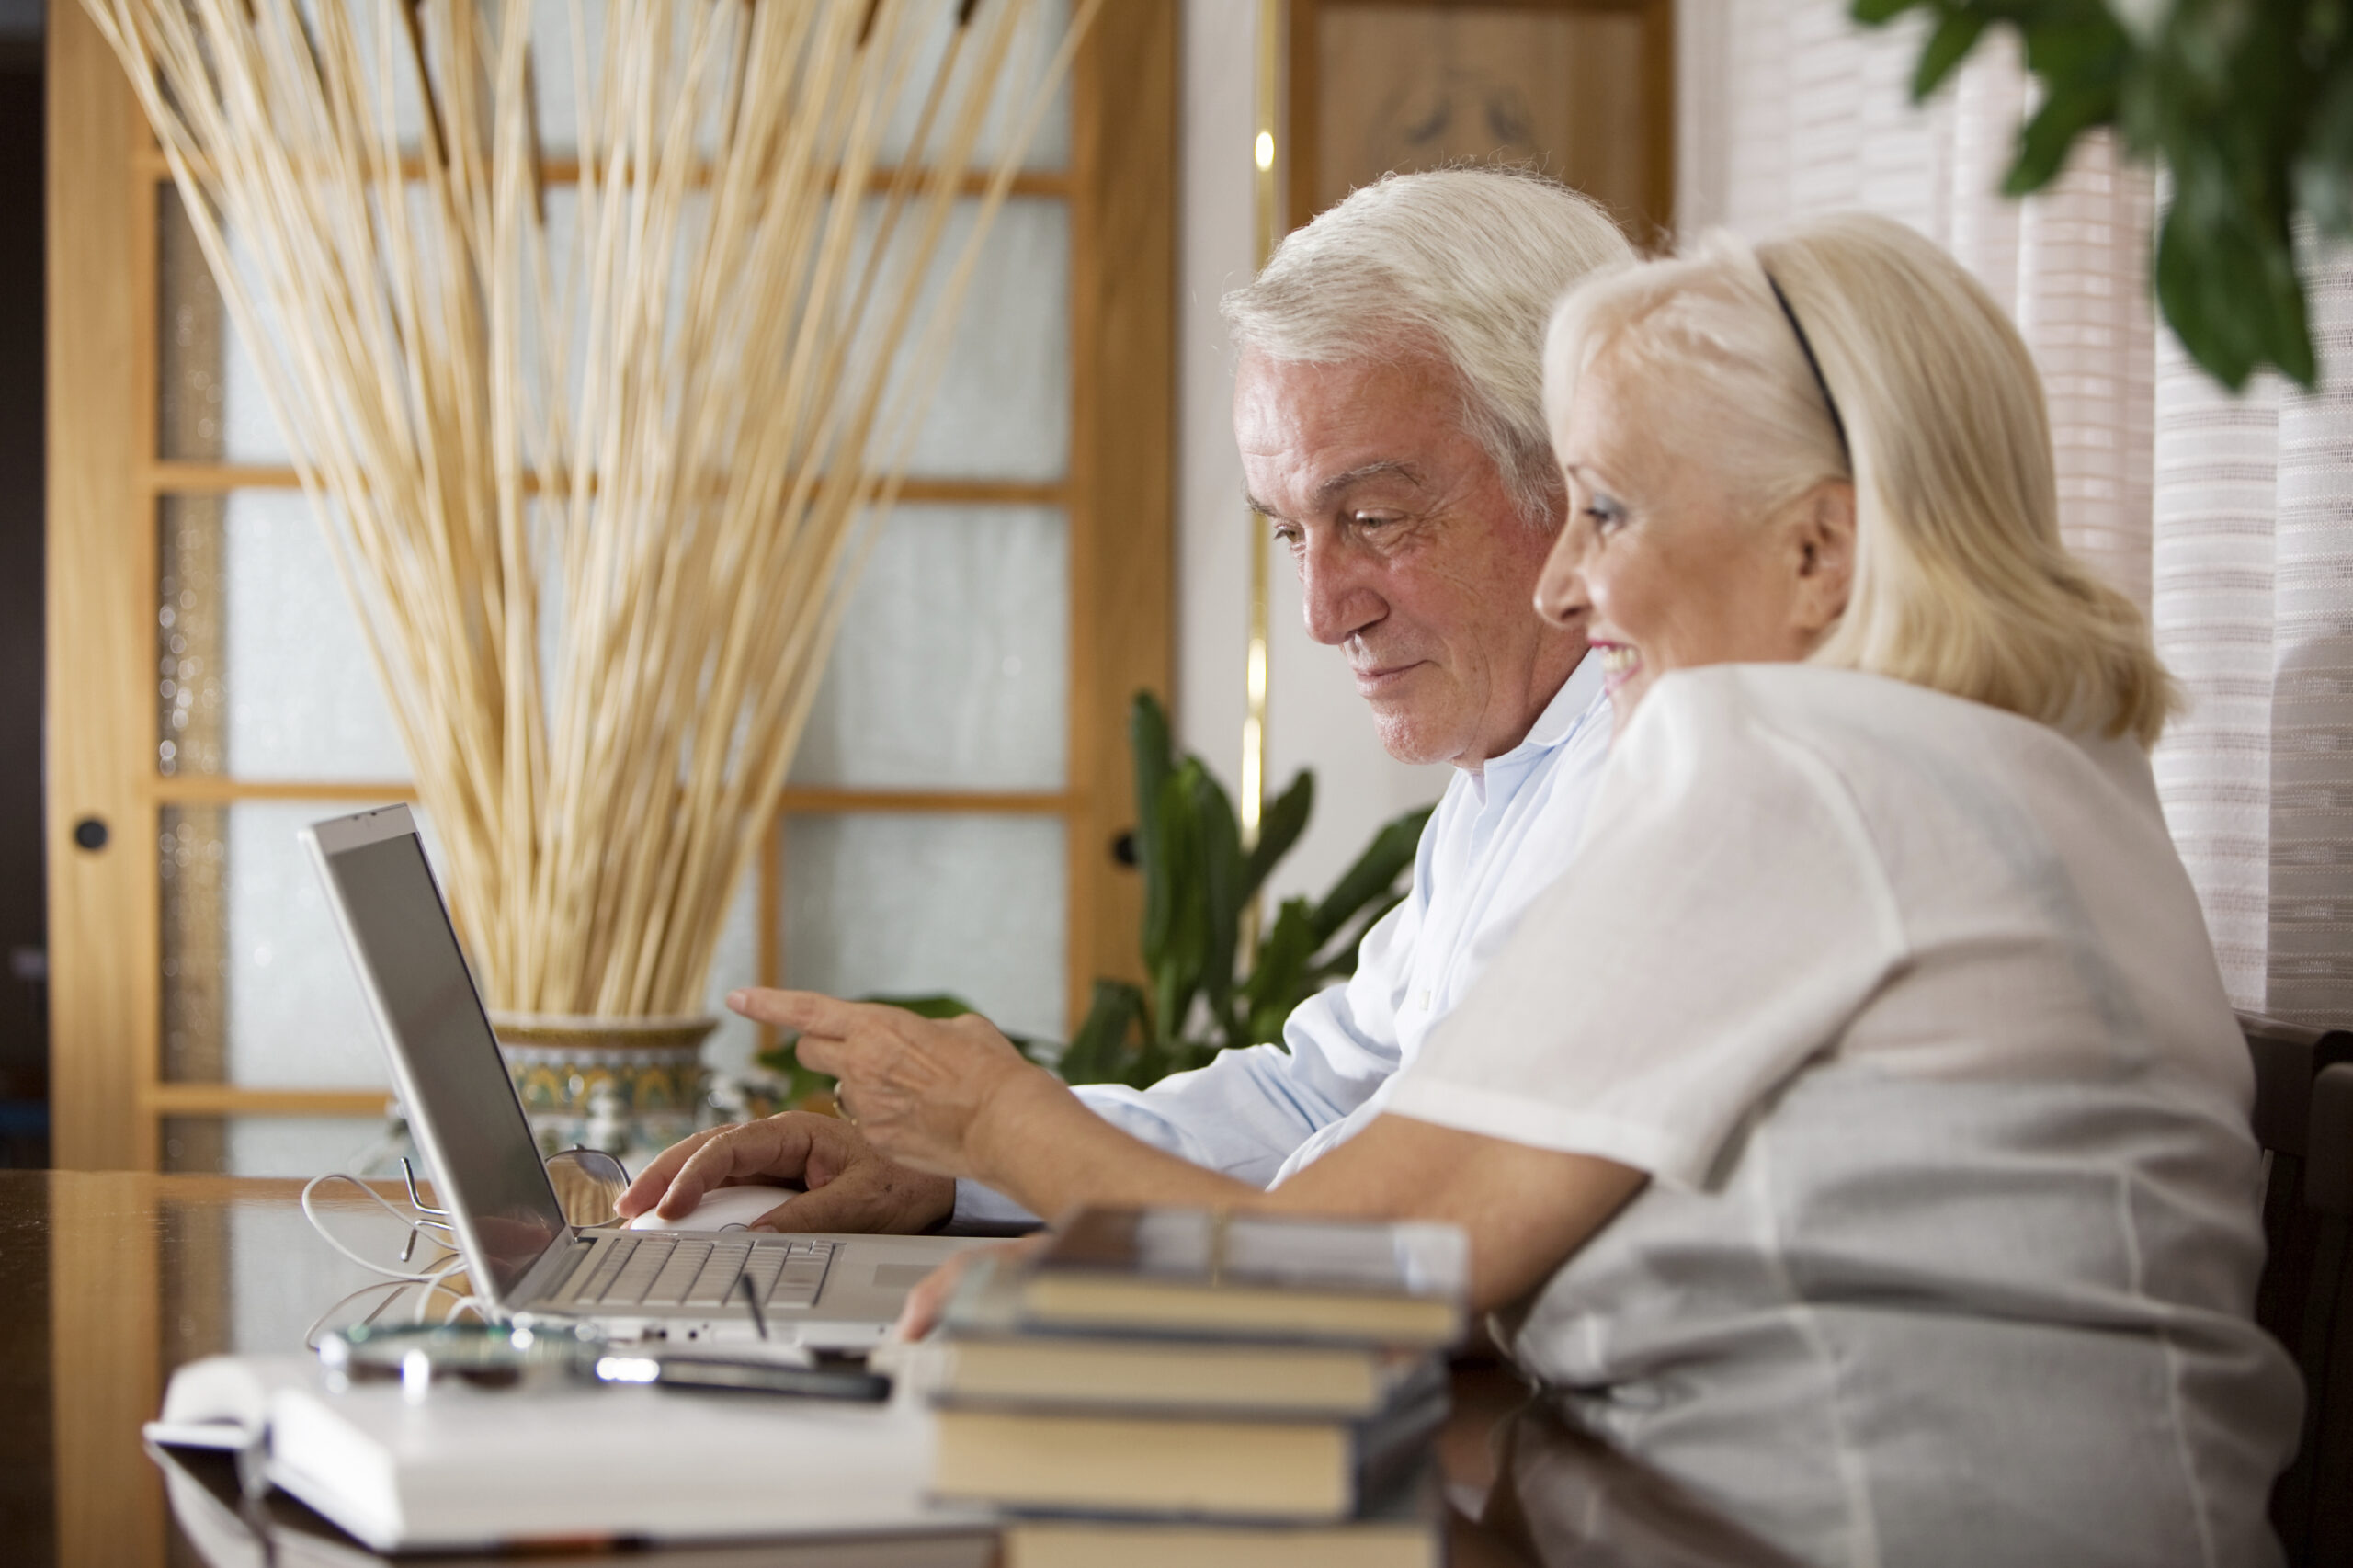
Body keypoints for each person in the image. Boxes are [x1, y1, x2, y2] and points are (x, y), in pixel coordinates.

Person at [722, 212, 2303, 1565]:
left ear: (1821, 552)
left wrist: (1003, 1132)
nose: (1566, 577)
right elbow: (1366, 1177)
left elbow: (1333, 1281)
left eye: (1607, 510)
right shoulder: (2026, 754)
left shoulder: (1796, 765)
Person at [620, 169, 1635, 1233]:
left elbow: (1383, 1243)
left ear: (1573, 471)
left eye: (1375, 517)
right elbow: (1308, 1103)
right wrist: (946, 1170)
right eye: (1291, 533)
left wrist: (1002, 1125)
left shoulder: (1643, 782)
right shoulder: (1514, 773)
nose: (1322, 615)